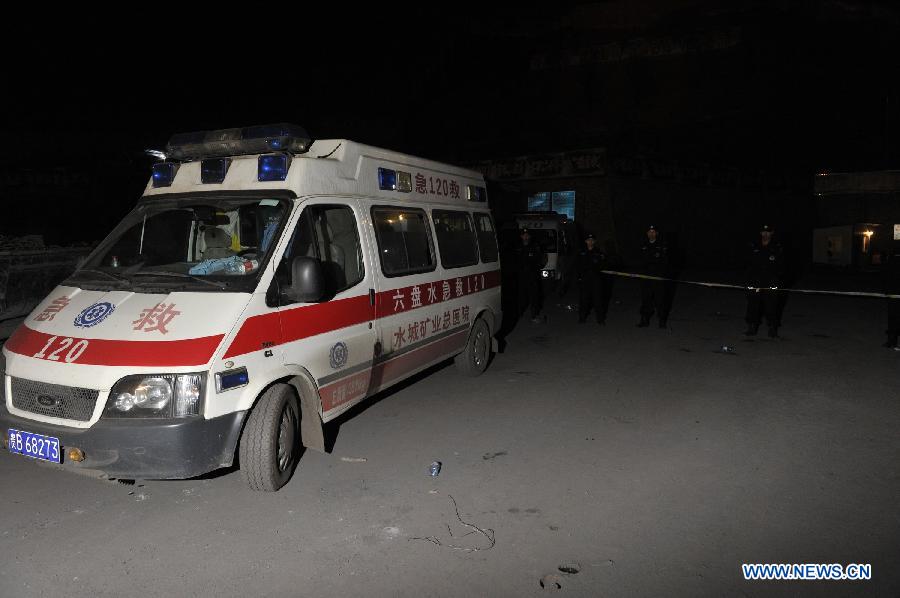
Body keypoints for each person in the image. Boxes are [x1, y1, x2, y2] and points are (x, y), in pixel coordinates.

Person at [745, 224, 785, 337]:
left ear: (772, 233)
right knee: (753, 303)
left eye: (768, 232)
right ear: (760, 233)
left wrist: (778, 280)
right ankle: (751, 326)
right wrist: (748, 280)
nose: (765, 234)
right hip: (755, 280)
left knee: (771, 305)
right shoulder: (754, 246)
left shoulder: (777, 247)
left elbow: (782, 266)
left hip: (771, 281)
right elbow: (748, 264)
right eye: (763, 232)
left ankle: (772, 327)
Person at [637, 224, 669, 328]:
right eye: (649, 232)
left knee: (660, 300)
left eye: (653, 232)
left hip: (658, 278)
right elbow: (639, 261)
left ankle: (662, 321)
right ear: (647, 233)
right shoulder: (643, 245)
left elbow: (665, 262)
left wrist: (662, 274)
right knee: (646, 300)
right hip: (646, 279)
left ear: (656, 233)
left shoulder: (662, 245)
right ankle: (644, 320)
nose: (651, 234)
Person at [576, 233, 611, 324]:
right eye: (588, 240)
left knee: (598, 300)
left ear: (594, 241)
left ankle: (600, 320)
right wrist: (578, 277)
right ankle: (582, 318)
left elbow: (605, 265)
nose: (590, 242)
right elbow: (577, 266)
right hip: (584, 280)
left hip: (596, 280)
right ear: (585, 241)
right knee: (584, 300)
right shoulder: (581, 252)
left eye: (592, 240)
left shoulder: (599, 252)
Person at [515, 228, 546, 323]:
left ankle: (534, 315)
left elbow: (542, 260)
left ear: (530, 236)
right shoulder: (517, 247)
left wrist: (537, 268)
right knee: (521, 296)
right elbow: (513, 262)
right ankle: (518, 314)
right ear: (521, 236)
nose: (525, 237)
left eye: (527, 235)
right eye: (524, 235)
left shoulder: (535, 247)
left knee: (534, 297)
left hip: (533, 277)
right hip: (521, 277)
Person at [882, 241, 900, 348]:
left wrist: (886, 291)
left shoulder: (891, 262)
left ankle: (892, 341)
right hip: (894, 294)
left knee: (893, 318)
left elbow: (885, 278)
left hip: (893, 295)